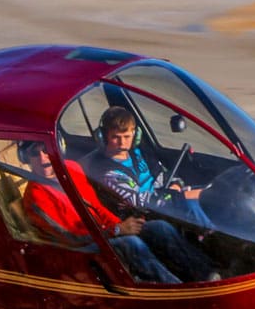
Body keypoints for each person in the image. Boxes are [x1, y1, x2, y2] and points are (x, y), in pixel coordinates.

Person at [19, 141, 213, 284]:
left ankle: (206, 275)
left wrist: (124, 225)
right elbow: (70, 238)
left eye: (46, 149)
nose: (43, 158)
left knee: (159, 227)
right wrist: (119, 231)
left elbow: (97, 207)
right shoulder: (35, 197)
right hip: (78, 248)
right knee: (131, 243)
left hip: (104, 233)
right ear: (25, 159)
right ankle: (175, 289)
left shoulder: (71, 169)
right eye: (35, 153)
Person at [82, 106, 213, 230]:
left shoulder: (140, 153)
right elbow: (138, 201)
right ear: (103, 137)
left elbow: (166, 175)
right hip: (146, 216)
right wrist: (179, 196)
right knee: (191, 202)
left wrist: (175, 185)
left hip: (166, 199)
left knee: (214, 192)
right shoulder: (105, 170)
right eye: (116, 137)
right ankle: (212, 238)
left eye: (127, 137)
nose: (122, 143)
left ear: (135, 135)